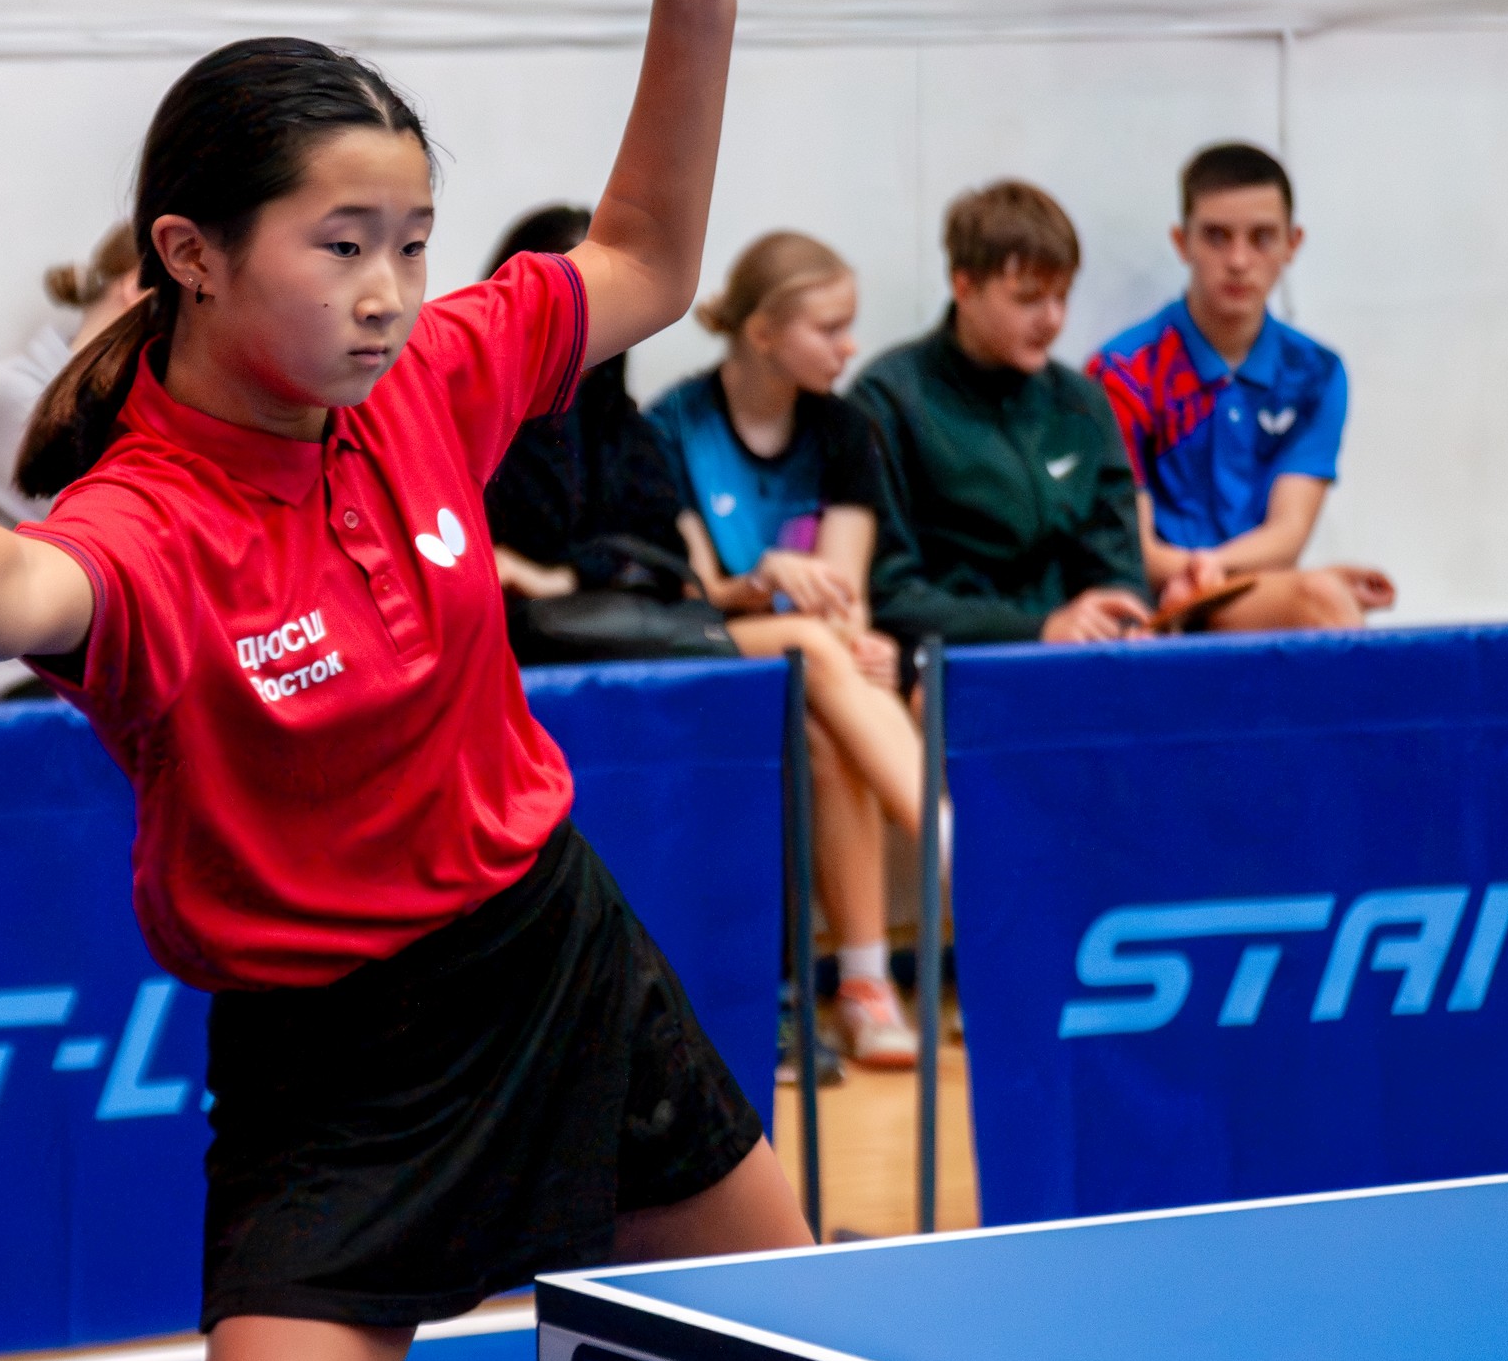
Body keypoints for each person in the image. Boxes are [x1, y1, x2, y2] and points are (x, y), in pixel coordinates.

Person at [0, 0, 806, 1361]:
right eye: (341, 244)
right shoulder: (151, 517)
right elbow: (16, 581)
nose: (389, 293)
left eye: (412, 242)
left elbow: (641, 259)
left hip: (548, 958)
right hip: (331, 1060)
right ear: (192, 253)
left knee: (797, 1351)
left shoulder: (430, 379)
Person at [645, 231, 923, 1068]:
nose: (849, 348)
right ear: (763, 332)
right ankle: (954, 838)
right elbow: (695, 592)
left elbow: (846, 593)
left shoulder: (844, 428)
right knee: (808, 641)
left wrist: (858, 643)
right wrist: (767, 579)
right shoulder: (676, 424)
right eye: (829, 329)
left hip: (815, 665)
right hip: (715, 643)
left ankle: (864, 987)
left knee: (825, 730)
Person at [1084, 143, 1396, 631]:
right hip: (1149, 607)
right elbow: (1136, 550)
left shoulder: (1316, 373)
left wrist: (1213, 573)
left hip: (1250, 590)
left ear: (1293, 243)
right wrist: (1209, 578)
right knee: (1323, 599)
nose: (1238, 260)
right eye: (1216, 236)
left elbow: (1288, 534)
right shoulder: (1121, 372)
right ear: (1181, 241)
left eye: (1261, 237)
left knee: (1325, 599)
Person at [853, 182, 1154, 645]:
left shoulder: (1082, 403)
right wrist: (1039, 630)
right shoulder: (888, 400)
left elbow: (1119, 565)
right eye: (1028, 299)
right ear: (964, 287)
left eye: (1062, 297)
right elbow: (891, 595)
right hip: (958, 659)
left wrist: (1124, 614)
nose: (1052, 319)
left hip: (1080, 651)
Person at [0, 223, 144, 704]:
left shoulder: (128, 405)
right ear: (136, 287)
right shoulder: (17, 397)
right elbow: (125, 549)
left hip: (70, 668)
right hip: (3, 680)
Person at [480, 203, 694, 660]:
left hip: (615, 640)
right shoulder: (471, 412)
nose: (585, 320)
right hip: (504, 644)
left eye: (603, 303)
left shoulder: (620, 422)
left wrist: (566, 578)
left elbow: (669, 561)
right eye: (567, 300)